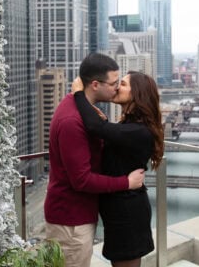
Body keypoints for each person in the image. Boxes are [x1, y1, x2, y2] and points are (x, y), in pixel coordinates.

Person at [44, 53, 145, 267]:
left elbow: (102, 135)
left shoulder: (82, 111)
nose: (117, 88)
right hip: (71, 221)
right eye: (114, 83)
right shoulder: (73, 121)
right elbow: (82, 180)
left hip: (78, 215)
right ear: (96, 85)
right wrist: (125, 182)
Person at [73, 71, 164, 267]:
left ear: (136, 93)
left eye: (122, 84)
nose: (116, 87)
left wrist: (78, 94)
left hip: (128, 215)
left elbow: (96, 128)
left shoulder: (138, 131)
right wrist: (103, 122)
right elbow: (106, 131)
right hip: (122, 211)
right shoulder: (131, 126)